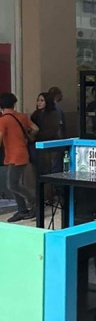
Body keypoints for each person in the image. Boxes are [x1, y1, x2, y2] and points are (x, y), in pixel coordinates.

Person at [0, 92, 38, 223]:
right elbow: (35, 128)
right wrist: (29, 136)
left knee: (12, 185)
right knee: (15, 183)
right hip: (21, 153)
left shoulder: (3, 120)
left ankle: (34, 203)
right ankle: (22, 209)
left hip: (13, 155)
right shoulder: (22, 116)